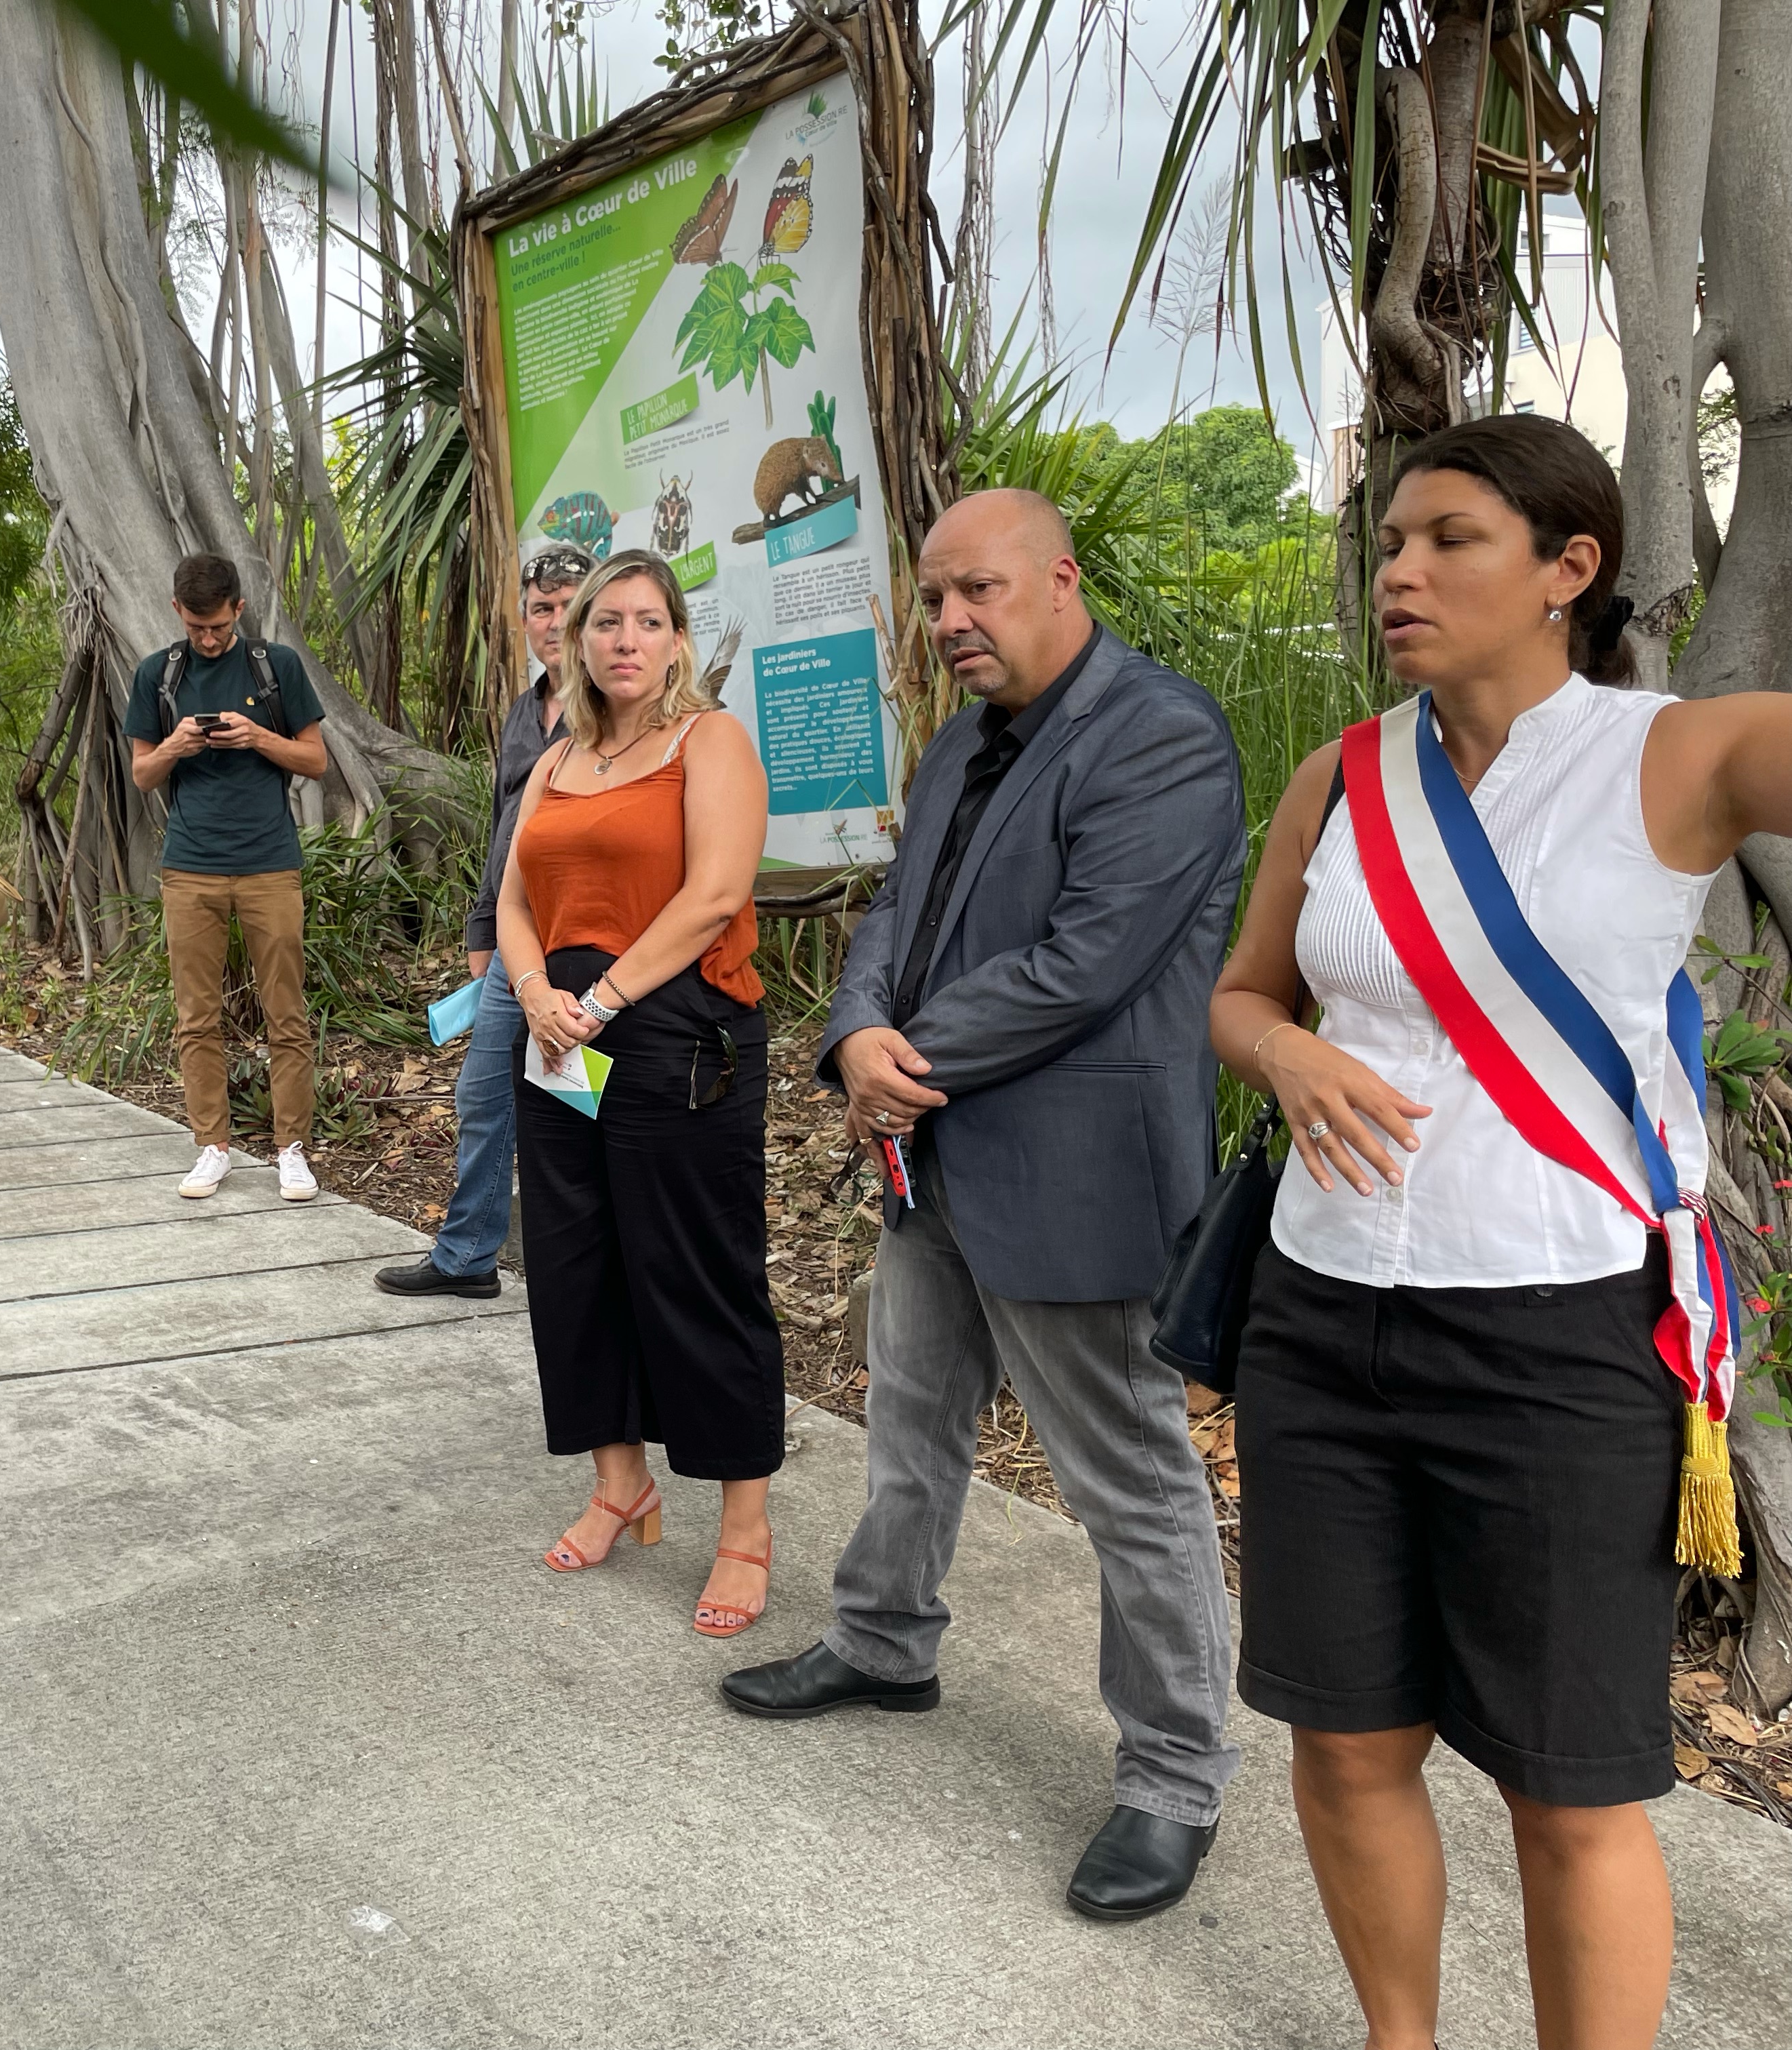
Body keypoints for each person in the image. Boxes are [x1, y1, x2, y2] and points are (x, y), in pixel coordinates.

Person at [1211, 414, 1792, 2049]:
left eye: (1449, 538)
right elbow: (1242, 994)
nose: (1400, 570)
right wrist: (1283, 1045)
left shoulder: (1672, 754)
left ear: (1569, 570)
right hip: (1321, 1321)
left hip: (1560, 1333)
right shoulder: (1342, 775)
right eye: (1389, 542)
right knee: (1343, 1740)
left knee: (1570, 1786)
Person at [720, 489, 1248, 1922]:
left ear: (1062, 580)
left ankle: (1175, 1778)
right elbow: (893, 912)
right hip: (934, 1163)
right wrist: (852, 1037)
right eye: (936, 598)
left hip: (1072, 1175)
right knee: (909, 1417)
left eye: (981, 592)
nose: (952, 621)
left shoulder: (1161, 736)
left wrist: (907, 1057)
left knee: (1129, 1484)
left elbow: (1090, 961)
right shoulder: (964, 738)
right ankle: (886, 1642)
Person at [492, 547, 782, 1637]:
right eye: (605, 623)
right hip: (559, 1036)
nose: (624, 640)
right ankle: (623, 1482)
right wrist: (532, 989)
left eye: (647, 622)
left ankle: (744, 1528)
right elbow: (516, 895)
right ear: (575, 641)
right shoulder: (554, 762)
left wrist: (602, 997)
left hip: (674, 1031)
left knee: (697, 1275)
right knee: (574, 1264)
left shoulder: (709, 743)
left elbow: (714, 896)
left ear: (677, 639)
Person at [374, 540, 588, 1298]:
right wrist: (480, 930)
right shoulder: (524, 715)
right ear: (524, 620)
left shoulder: (614, 711)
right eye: (541, 609)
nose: (554, 621)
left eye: (569, 606)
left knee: (576, 1102)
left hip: (586, 945)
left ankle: (588, 1268)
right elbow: (505, 829)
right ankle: (468, 1256)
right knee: (483, 1096)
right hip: (511, 939)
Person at [123, 552, 330, 1203]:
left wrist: (256, 736)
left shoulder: (277, 667)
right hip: (190, 868)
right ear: (178, 613)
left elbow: (317, 760)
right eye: (196, 628)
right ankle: (212, 1146)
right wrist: (176, 747)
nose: (208, 639)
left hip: (271, 863)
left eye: (217, 626)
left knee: (286, 1012)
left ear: (239, 608)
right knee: (197, 1016)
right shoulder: (158, 674)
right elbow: (141, 774)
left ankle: (290, 1148)